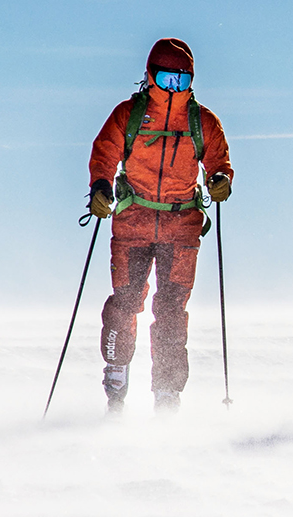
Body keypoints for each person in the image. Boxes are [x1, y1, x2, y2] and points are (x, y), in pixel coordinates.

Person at [84, 38, 233, 415]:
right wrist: (100, 186)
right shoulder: (129, 115)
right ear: (151, 76)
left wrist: (220, 179)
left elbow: (219, 159)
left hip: (181, 229)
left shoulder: (203, 121)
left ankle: (167, 393)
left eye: (182, 82)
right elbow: (105, 152)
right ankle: (116, 375)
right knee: (125, 303)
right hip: (133, 223)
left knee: (170, 310)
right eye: (168, 79)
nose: (173, 89)